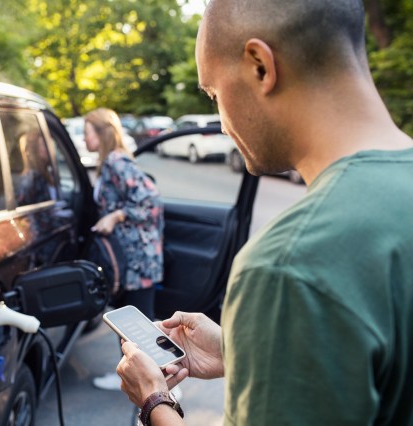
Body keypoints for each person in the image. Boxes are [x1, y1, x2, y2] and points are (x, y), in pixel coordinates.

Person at [116, 0, 413, 424]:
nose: (220, 122)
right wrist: (243, 351)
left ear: (260, 65)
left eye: (214, 93)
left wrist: (154, 401)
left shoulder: (288, 266)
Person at [83, 108, 165, 391]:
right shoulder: (110, 162)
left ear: (102, 132)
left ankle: (161, 382)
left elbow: (151, 202)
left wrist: (115, 216)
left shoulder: (116, 162)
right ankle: (131, 377)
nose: (84, 138)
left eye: (87, 132)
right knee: (129, 321)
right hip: (128, 258)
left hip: (138, 258)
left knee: (139, 322)